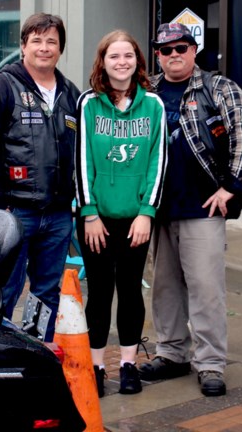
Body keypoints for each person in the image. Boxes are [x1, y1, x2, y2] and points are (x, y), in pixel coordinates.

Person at [138, 23, 242, 397]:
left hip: (203, 207)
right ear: (157, 54)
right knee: (165, 287)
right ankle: (172, 354)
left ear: (194, 50)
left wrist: (231, 187)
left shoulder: (219, 88)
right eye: (166, 49)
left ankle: (210, 363)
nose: (174, 55)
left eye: (182, 47)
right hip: (158, 207)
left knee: (206, 288)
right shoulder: (147, 91)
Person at [0, 13, 80, 342]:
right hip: (14, 213)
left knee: (45, 291)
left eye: (52, 42)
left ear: (60, 48)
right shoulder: (1, 87)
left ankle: (31, 346)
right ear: (23, 46)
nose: (44, 48)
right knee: (3, 286)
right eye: (37, 40)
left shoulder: (71, 93)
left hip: (58, 214)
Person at [76, 30, 167, 397]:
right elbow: (81, 162)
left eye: (128, 55)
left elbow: (158, 163)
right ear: (103, 61)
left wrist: (146, 212)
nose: (121, 62)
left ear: (137, 61)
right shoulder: (88, 104)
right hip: (96, 217)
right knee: (98, 292)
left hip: (135, 218)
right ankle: (97, 367)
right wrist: (89, 211)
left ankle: (128, 364)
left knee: (130, 290)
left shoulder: (154, 106)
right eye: (114, 56)